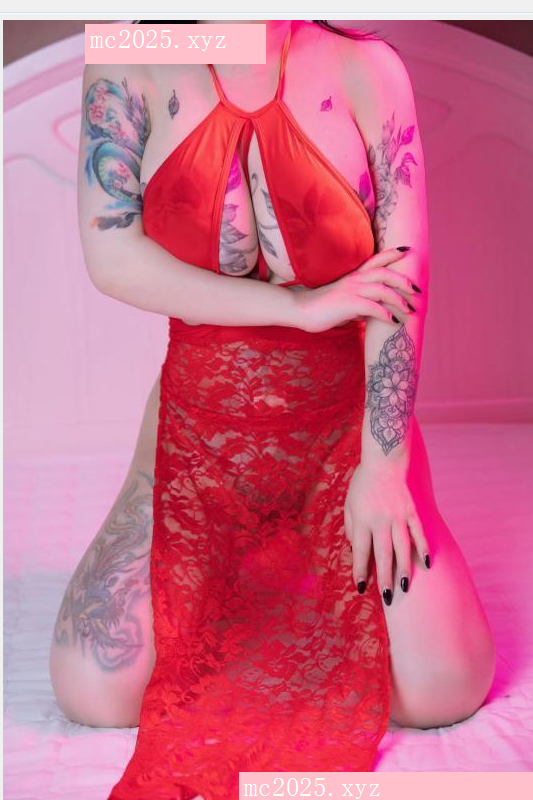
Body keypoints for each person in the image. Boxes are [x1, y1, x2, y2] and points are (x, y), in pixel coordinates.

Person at [50, 18, 495, 797]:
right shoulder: (131, 58)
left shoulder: (364, 68)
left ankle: (293, 574)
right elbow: (111, 254)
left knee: (443, 689)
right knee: (94, 689)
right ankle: (252, 585)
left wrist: (382, 470)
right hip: (197, 430)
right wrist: (298, 307)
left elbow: (404, 279)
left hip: (344, 429)